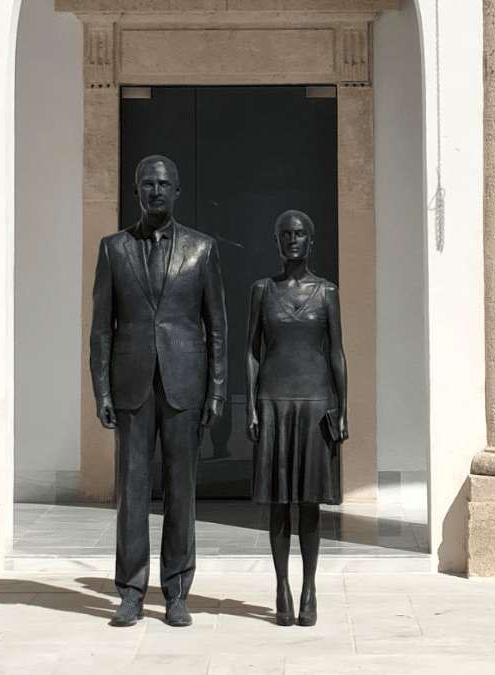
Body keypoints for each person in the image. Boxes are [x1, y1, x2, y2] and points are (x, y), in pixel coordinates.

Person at [89, 155, 227, 628]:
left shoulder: (202, 250)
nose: (156, 191)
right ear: (136, 191)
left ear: (177, 191)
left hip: (184, 385)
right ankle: (130, 591)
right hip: (130, 387)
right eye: (147, 184)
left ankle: (176, 591)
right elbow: (101, 329)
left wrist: (217, 391)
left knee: (181, 492)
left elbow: (217, 328)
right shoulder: (114, 249)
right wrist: (101, 389)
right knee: (132, 492)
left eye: (164, 183)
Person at [245, 209, 348, 627]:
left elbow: (337, 352)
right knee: (278, 503)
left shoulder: (327, 293)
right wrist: (250, 405)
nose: (292, 239)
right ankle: (281, 587)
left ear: (311, 241)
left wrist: (344, 407)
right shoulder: (261, 291)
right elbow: (253, 350)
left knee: (308, 504)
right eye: (285, 233)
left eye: (300, 233)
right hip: (273, 401)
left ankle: (309, 589)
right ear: (276, 241)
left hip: (315, 403)